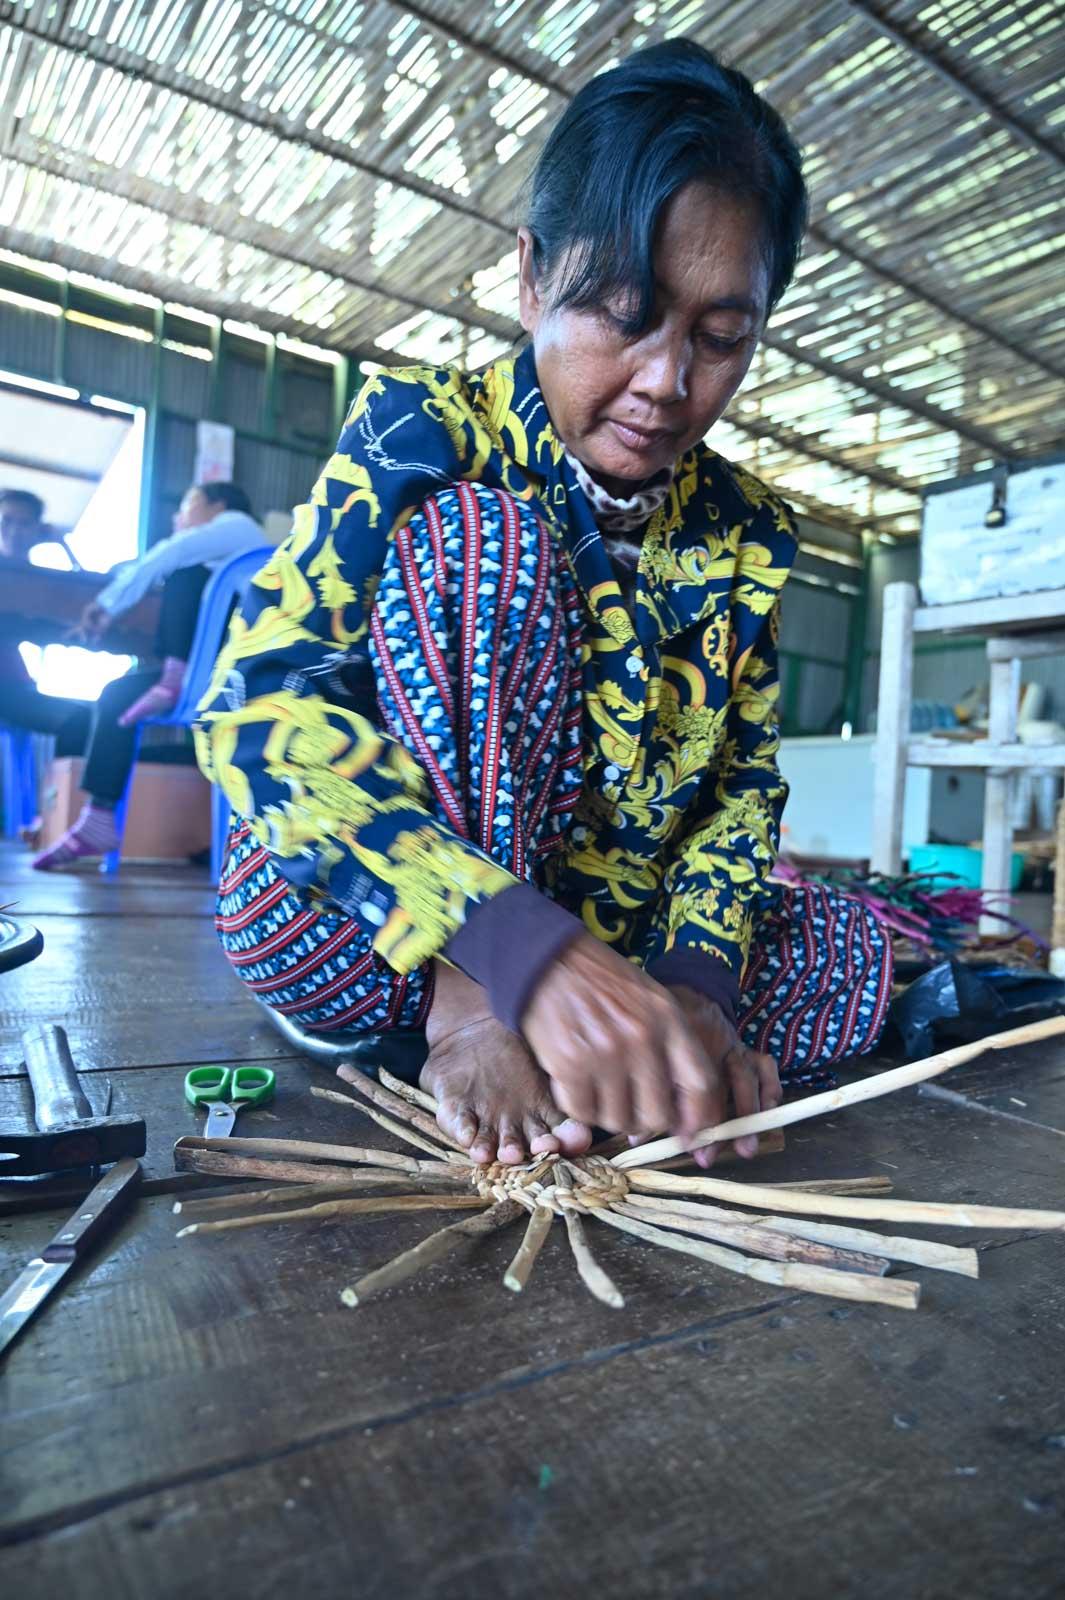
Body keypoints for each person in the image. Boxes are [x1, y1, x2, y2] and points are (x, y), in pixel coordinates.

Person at [195, 40, 892, 1169]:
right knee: (481, 543)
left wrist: (694, 993)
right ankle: (472, 1015)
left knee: (850, 957)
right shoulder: (420, 435)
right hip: (373, 936)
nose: (669, 381)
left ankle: (607, 1046)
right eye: (624, 310)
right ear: (530, 278)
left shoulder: (751, 534)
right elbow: (254, 710)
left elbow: (741, 790)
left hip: (599, 954)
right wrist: (504, 954)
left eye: (721, 339)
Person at [31, 481, 266, 869]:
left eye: (189, 503)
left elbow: (171, 551)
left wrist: (106, 605)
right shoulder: (229, 549)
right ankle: (98, 818)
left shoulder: (238, 525)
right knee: (117, 694)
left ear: (219, 504)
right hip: (214, 676)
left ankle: (174, 679)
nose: (179, 516)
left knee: (182, 569)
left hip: (224, 675)